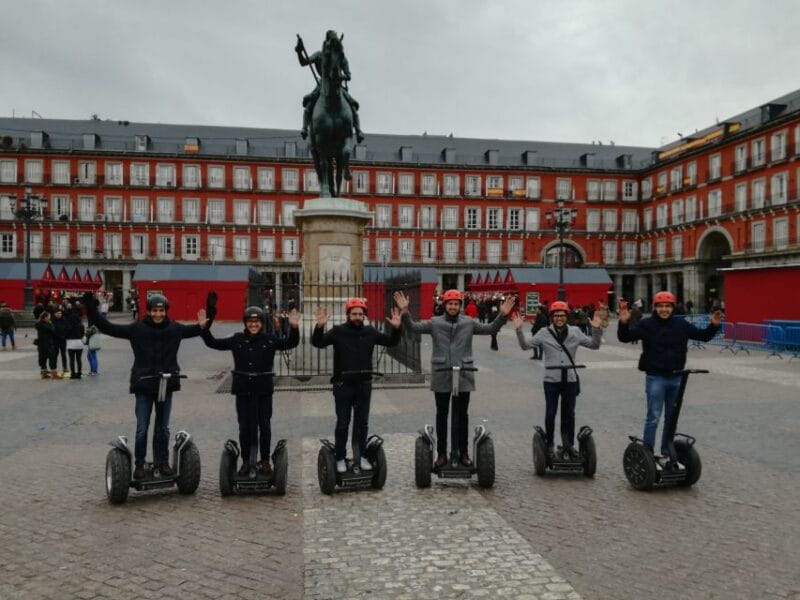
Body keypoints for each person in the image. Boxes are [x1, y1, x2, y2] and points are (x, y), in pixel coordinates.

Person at [85, 292, 205, 479]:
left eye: (161, 310)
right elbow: (107, 327)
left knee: (163, 429)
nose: (158, 314)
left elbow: (198, 330)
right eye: (155, 310)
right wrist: (91, 308)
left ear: (166, 311)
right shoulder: (137, 329)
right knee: (142, 428)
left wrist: (208, 318)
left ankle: (162, 462)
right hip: (144, 384)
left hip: (166, 383)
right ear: (148, 311)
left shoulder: (174, 329)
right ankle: (139, 465)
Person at [395, 289, 515, 467]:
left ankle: (463, 453)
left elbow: (490, 329)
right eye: (450, 304)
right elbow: (413, 327)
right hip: (442, 373)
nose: (453, 306)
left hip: (464, 373)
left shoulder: (468, 323)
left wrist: (503, 315)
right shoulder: (435, 323)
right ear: (445, 305)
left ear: (460, 306)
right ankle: (442, 453)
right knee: (442, 415)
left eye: (456, 304)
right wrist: (405, 311)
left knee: (462, 415)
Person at [617, 291, 722, 464]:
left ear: (672, 308)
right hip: (656, 377)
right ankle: (648, 453)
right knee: (654, 416)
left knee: (671, 418)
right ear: (655, 307)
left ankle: (667, 452)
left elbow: (702, 336)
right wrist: (623, 322)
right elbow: (625, 337)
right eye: (660, 306)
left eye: (667, 306)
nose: (664, 309)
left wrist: (713, 326)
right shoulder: (646, 324)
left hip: (676, 377)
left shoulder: (681, 324)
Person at [197, 305, 300, 475]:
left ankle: (265, 460)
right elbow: (213, 343)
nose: (253, 325)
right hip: (243, 390)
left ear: (261, 323)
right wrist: (203, 328)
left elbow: (290, 342)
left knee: (264, 426)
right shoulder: (237, 339)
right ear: (245, 323)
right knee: (244, 427)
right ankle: (245, 461)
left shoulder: (270, 339)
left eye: (257, 322)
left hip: (263, 390)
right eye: (250, 322)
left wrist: (294, 327)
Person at [311, 298, 402, 474]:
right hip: (343, 384)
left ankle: (363, 456)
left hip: (364, 384)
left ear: (364, 315)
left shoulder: (370, 332)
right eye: (354, 314)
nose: (357, 317)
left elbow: (391, 342)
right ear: (348, 315)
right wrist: (320, 326)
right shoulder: (338, 331)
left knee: (362, 423)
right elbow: (318, 343)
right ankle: (339, 457)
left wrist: (397, 328)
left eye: (361, 314)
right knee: (343, 423)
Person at [512, 301, 604, 461]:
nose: (559, 318)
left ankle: (568, 445)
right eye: (556, 316)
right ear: (552, 317)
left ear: (566, 317)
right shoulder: (544, 332)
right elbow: (525, 346)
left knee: (569, 414)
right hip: (551, 380)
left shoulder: (575, 332)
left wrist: (596, 329)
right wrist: (519, 330)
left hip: (570, 380)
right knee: (550, 413)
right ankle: (549, 445)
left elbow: (594, 345)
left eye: (562, 315)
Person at [295, 30, 365, 143]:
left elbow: (348, 76)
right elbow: (304, 62)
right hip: (322, 85)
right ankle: (305, 128)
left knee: (352, 105)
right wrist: (299, 51)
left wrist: (339, 77)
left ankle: (358, 130)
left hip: (338, 85)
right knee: (309, 103)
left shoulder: (341, 56)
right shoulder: (319, 55)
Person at [35, 311, 60, 379]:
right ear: (45, 317)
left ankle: (44, 373)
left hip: (41, 344)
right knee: (52, 358)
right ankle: (54, 374)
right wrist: (51, 324)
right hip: (48, 344)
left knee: (43, 359)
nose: (50, 317)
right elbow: (52, 330)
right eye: (49, 316)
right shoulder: (45, 324)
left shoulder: (38, 324)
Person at [65, 310, 85, 379]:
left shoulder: (68, 326)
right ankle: (79, 373)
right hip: (79, 343)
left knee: (72, 359)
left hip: (70, 343)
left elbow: (66, 335)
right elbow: (82, 334)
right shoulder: (81, 325)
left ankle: (73, 373)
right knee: (79, 359)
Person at [51, 307, 70, 377]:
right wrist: (57, 336)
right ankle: (54, 368)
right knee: (55, 355)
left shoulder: (64, 320)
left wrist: (64, 335)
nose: (59, 314)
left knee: (63, 355)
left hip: (63, 340)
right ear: (55, 314)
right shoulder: (52, 321)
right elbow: (52, 330)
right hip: (55, 341)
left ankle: (65, 367)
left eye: (60, 313)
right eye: (58, 313)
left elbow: (68, 328)